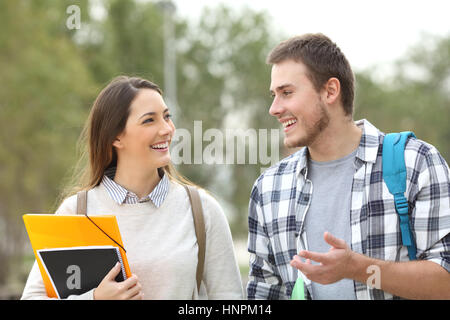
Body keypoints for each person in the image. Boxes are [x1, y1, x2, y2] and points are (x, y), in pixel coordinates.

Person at [247, 33, 450, 300]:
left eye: (286, 93)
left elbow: (445, 281)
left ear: (330, 91)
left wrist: (359, 268)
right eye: (274, 95)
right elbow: (264, 292)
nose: (274, 108)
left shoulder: (417, 163)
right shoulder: (269, 188)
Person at [21, 76, 243, 300]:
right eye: (149, 120)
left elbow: (230, 298)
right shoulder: (76, 211)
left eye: (167, 117)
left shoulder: (202, 211)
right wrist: (94, 299)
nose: (167, 129)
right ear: (116, 137)